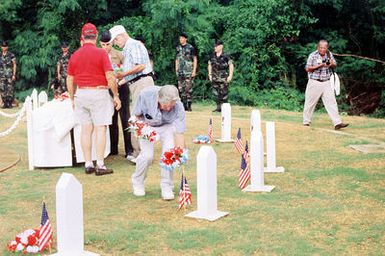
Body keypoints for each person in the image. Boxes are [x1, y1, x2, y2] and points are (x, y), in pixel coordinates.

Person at [67, 23, 121, 176]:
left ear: (82, 37)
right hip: (98, 93)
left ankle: (88, 163)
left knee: (85, 129)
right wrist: (116, 95)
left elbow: (70, 79)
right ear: (96, 37)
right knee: (100, 129)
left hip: (81, 94)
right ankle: (101, 164)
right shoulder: (101, 53)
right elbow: (110, 76)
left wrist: (72, 97)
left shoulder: (75, 55)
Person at [131, 85, 186, 200]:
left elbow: (180, 132)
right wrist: (144, 130)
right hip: (146, 125)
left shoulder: (179, 106)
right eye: (166, 106)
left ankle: (167, 187)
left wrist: (180, 154)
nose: (169, 109)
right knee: (147, 156)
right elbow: (135, 118)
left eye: (172, 106)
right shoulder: (145, 95)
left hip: (167, 126)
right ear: (158, 99)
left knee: (169, 155)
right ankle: (138, 182)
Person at [109, 25, 154, 162]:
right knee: (138, 117)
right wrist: (119, 81)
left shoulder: (134, 45)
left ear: (121, 36)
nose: (116, 44)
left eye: (116, 41)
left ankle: (142, 153)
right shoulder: (128, 48)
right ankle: (139, 152)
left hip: (142, 83)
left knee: (140, 118)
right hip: (135, 83)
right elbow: (131, 73)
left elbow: (140, 66)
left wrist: (123, 74)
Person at [100, 31, 134, 158]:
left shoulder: (119, 54)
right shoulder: (99, 55)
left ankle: (129, 149)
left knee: (125, 118)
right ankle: (113, 149)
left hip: (121, 86)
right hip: (106, 89)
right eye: (102, 44)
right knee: (111, 119)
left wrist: (121, 82)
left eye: (107, 44)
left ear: (112, 42)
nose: (105, 47)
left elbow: (128, 70)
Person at [303, 39, 349, 130]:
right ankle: (306, 122)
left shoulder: (329, 54)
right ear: (318, 47)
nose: (322, 49)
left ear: (327, 48)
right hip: (314, 82)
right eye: (321, 47)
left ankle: (337, 123)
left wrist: (331, 64)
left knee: (332, 102)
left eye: (324, 48)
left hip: (326, 82)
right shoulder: (313, 55)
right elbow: (307, 69)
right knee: (310, 103)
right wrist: (320, 65)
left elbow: (335, 65)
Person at [208, 40, 234, 112]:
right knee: (216, 94)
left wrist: (230, 76)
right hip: (214, 77)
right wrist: (209, 74)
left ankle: (225, 108)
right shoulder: (212, 55)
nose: (215, 47)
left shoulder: (226, 55)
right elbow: (209, 65)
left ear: (221, 46)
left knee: (224, 93)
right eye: (214, 46)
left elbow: (231, 65)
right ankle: (218, 108)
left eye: (216, 46)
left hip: (223, 78)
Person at [175, 32, 197, 112]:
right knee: (181, 89)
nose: (180, 39)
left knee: (189, 88)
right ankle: (183, 105)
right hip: (180, 71)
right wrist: (176, 69)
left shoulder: (190, 47)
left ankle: (189, 105)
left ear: (185, 39)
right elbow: (177, 59)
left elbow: (194, 59)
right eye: (180, 38)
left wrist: (194, 70)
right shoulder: (178, 48)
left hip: (188, 71)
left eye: (182, 38)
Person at [0, 41, 17, 109]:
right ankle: (4, 103)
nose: (4, 48)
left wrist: (14, 74)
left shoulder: (11, 55)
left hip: (9, 75)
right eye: (3, 46)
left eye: (5, 46)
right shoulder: (0, 55)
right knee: (2, 89)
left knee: (10, 89)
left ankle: (9, 103)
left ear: (7, 47)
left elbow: (14, 65)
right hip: (1, 75)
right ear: (1, 47)